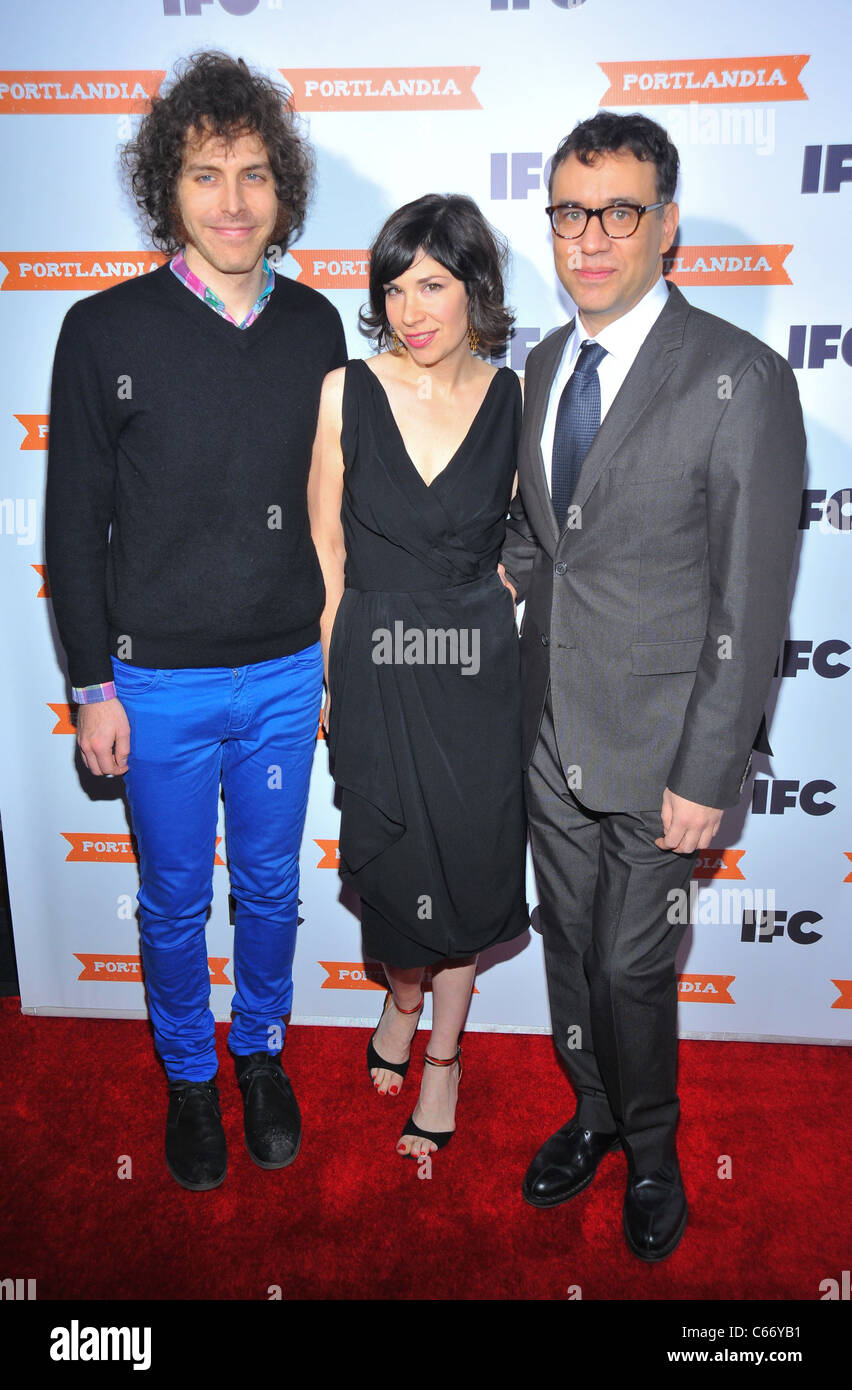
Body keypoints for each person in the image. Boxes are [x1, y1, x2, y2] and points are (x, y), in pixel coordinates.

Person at [501, 111, 805, 1258]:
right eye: (572, 212)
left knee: (634, 965)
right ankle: (589, 1115)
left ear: (665, 225)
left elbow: (751, 601)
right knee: (570, 949)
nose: (591, 238)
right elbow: (546, 546)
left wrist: (707, 771)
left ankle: (656, 1147)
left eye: (620, 211)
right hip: (549, 731)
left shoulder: (741, 376)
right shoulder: (541, 364)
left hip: (665, 749)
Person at [45, 52, 347, 1191]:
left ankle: (258, 1053)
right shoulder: (103, 330)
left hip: (282, 677)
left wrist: (334, 667)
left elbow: (332, 514)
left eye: (256, 174)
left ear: (284, 191)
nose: (233, 200)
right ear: (168, 188)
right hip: (155, 685)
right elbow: (72, 525)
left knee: (270, 889)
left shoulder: (319, 327)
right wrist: (91, 688)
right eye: (208, 173)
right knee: (174, 902)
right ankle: (186, 1073)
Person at [308, 194, 528, 1157]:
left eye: (432, 284)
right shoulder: (343, 389)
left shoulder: (516, 396)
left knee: (470, 868)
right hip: (375, 661)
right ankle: (400, 1000)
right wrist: (326, 677)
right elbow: (323, 546)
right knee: (397, 872)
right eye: (395, 289)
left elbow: (550, 527)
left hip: (477, 670)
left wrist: (506, 581)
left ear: (474, 287)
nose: (411, 309)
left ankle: (443, 1056)